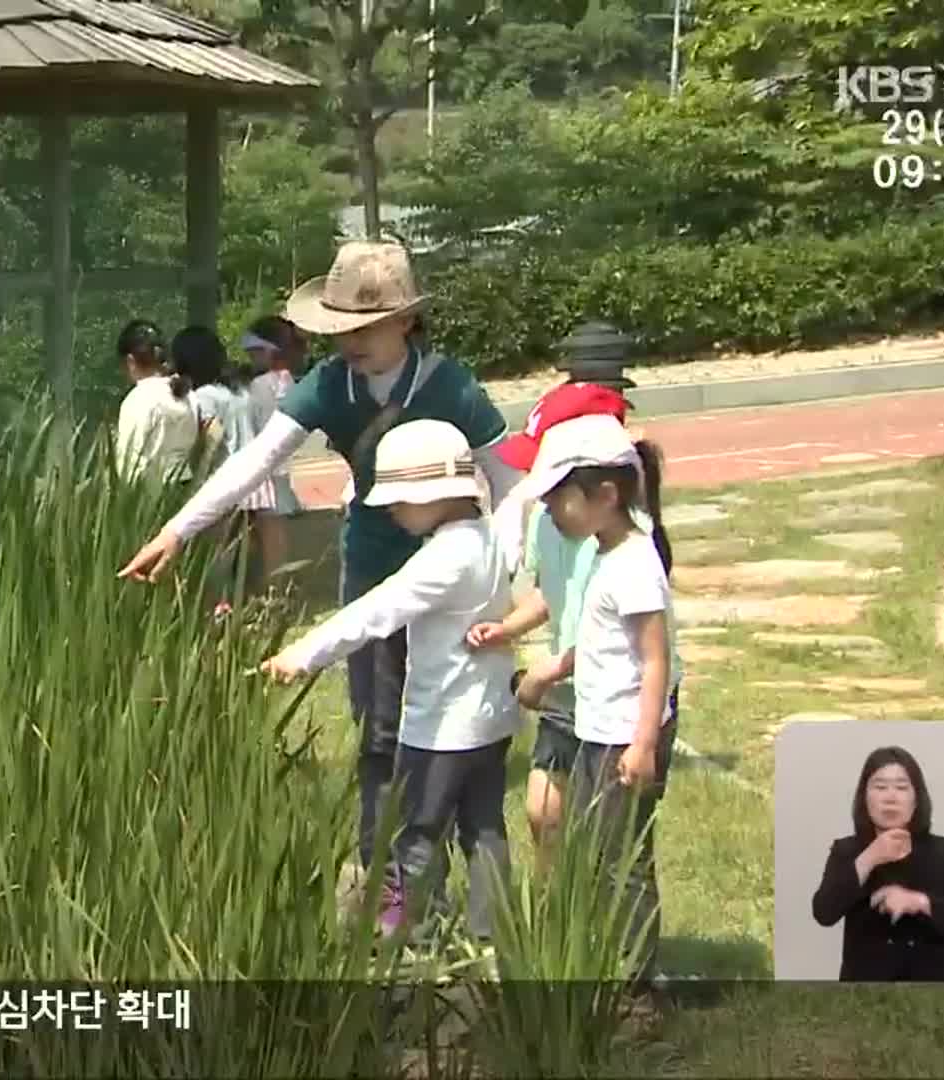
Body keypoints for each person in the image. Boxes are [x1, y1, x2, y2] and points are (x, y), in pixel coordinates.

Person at [117, 241, 521, 890]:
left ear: (407, 322)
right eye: (341, 329)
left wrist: (502, 571)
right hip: (371, 567)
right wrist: (177, 530)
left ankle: (449, 879)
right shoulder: (328, 384)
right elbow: (258, 461)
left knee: (454, 727)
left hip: (450, 580)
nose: (351, 342)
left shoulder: (449, 383)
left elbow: (511, 480)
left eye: (367, 327)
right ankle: (389, 878)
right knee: (380, 727)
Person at [260, 420, 518, 944]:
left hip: (442, 728)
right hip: (492, 720)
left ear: (436, 496)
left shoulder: (444, 558)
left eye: (400, 500)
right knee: (485, 829)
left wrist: (302, 654)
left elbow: (378, 611)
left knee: (417, 832)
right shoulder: (487, 537)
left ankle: (415, 932)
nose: (393, 510)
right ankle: (493, 934)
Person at [501, 413, 680, 988]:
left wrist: (643, 742)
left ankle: (636, 987)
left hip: (624, 736)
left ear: (605, 494)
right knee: (597, 853)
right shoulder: (605, 552)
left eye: (559, 500)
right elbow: (601, 643)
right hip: (597, 728)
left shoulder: (634, 563)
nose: (550, 513)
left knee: (623, 862)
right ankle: (605, 963)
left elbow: (656, 660)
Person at [465, 383, 642, 874]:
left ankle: (594, 917)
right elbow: (548, 593)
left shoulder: (624, 540)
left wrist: (549, 670)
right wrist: (505, 629)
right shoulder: (549, 521)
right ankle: (550, 911)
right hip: (567, 689)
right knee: (543, 811)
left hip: (607, 689)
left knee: (604, 823)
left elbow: (620, 634)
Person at [811, 746, 944, 981]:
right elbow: (824, 912)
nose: (890, 797)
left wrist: (919, 902)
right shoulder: (847, 852)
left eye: (901, 788)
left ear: (916, 800)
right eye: (880, 787)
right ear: (865, 797)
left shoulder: (943, 852)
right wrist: (870, 857)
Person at [172, 325, 271, 604]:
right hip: (253, 476)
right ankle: (254, 598)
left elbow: (213, 435)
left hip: (224, 478)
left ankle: (221, 604)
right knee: (248, 544)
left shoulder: (204, 396)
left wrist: (199, 474)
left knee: (219, 545)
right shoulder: (239, 390)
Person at [243, 316, 308, 582]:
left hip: (264, 470)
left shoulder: (258, 386)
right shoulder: (290, 381)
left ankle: (275, 589)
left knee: (270, 532)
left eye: (254, 353)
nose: (251, 359)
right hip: (279, 468)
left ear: (268, 351)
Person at [112, 319, 199, 486]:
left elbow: (129, 459)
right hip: (184, 488)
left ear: (130, 361)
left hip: (150, 493)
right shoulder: (189, 395)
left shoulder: (139, 398)